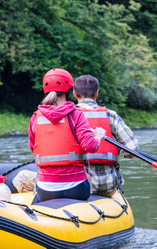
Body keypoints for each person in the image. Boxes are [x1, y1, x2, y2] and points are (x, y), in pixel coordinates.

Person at [27, 68, 106, 203]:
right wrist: (98, 136)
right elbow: (91, 146)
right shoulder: (76, 115)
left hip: (46, 189)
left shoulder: (36, 117)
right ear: (70, 91)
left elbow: (32, 147)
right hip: (76, 188)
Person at [72, 74, 139, 196]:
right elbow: (132, 150)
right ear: (97, 93)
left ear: (74, 93)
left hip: (75, 185)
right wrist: (118, 148)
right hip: (106, 187)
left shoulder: (68, 116)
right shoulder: (111, 115)